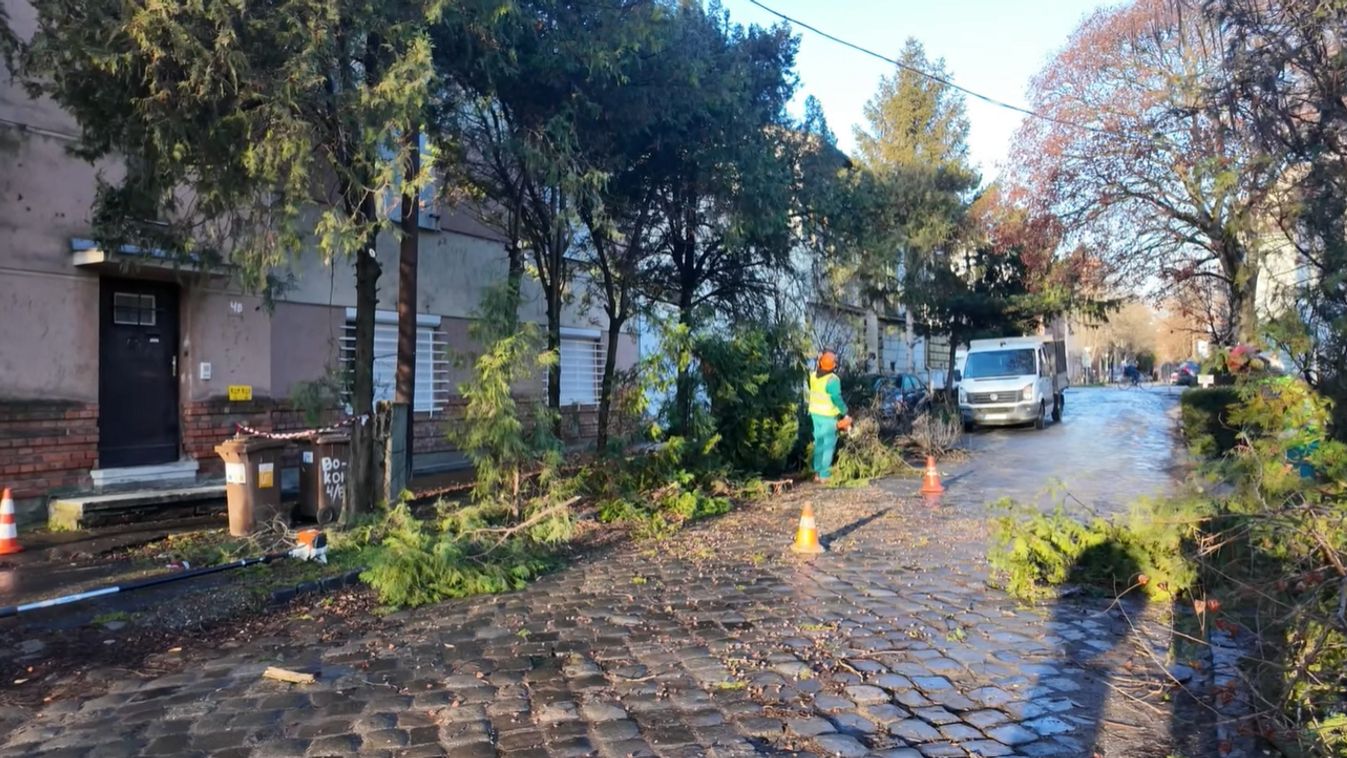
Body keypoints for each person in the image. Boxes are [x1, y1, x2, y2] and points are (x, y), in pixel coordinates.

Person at [808, 351, 851, 483]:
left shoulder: (813, 376)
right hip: (827, 416)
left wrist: (819, 360)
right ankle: (824, 475)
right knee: (828, 446)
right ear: (834, 366)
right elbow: (836, 398)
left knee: (819, 443)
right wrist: (845, 411)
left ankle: (816, 472)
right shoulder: (833, 380)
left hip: (815, 414)